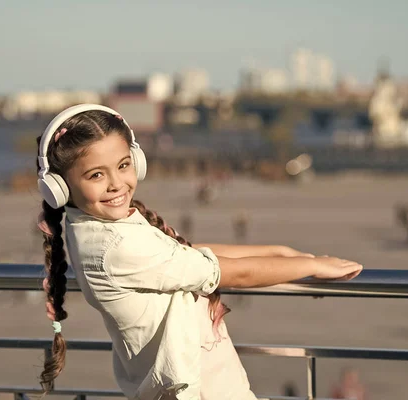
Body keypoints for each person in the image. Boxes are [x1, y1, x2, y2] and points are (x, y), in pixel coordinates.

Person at [35, 104, 363, 400]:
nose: (116, 183)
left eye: (123, 165)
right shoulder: (117, 246)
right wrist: (313, 265)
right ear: (60, 187)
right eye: (96, 175)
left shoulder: (96, 229)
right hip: (198, 388)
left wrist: (279, 252)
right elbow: (228, 271)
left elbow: (186, 254)